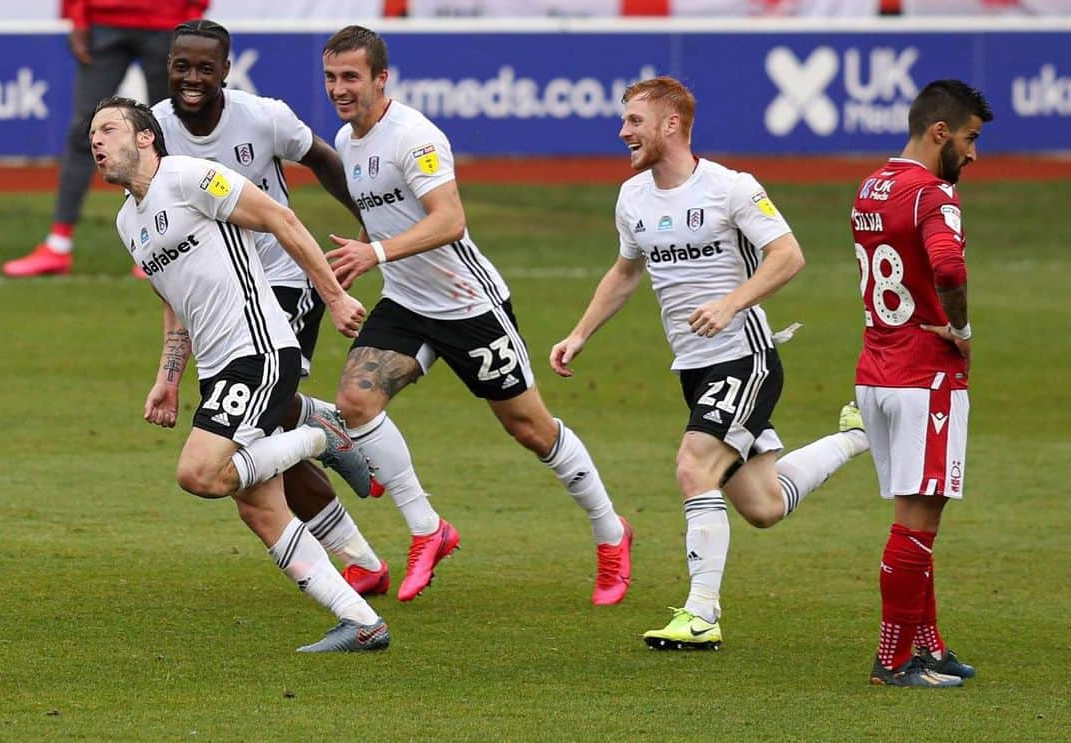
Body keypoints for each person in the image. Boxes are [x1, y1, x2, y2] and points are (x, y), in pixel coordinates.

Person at [549, 76, 870, 650]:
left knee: (694, 467)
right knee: (764, 506)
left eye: (634, 121)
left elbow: (788, 255)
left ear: (670, 125)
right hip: (696, 369)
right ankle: (856, 437)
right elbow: (626, 271)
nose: (623, 131)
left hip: (745, 359)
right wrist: (580, 333)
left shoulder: (731, 188)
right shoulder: (633, 198)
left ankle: (701, 614)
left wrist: (731, 304)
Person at [320, 25, 633, 604]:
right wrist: (363, 256)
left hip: (470, 306)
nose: (339, 88)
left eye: (351, 77)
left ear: (381, 78)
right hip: (408, 303)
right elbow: (382, 210)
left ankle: (611, 534)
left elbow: (449, 220)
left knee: (530, 429)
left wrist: (376, 252)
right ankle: (427, 530)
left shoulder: (414, 136)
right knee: (356, 403)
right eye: (332, 77)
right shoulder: (349, 139)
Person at [89, 95, 388, 653]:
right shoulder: (127, 222)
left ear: (146, 137)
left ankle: (319, 435)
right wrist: (168, 376)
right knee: (259, 507)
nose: (97, 142)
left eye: (108, 129)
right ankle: (362, 621)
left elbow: (280, 218)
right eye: (93, 135)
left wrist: (335, 294)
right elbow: (174, 299)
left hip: (258, 353)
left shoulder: (193, 178)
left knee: (200, 473)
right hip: (217, 368)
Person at [151, 19, 391, 597]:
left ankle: (316, 428)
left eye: (206, 67)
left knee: (256, 419)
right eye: (182, 65)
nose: (192, 77)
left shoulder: (263, 116)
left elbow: (327, 161)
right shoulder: (153, 131)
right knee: (254, 438)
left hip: (283, 277)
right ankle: (360, 558)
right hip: (220, 296)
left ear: (226, 72)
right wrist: (169, 368)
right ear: (169, 65)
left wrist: (369, 226)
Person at [852, 79, 991, 687]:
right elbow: (948, 267)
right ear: (941, 133)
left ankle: (928, 647)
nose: (973, 155)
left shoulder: (872, 186)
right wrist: (959, 326)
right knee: (917, 521)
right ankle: (893, 659)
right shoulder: (933, 194)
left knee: (921, 516)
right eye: (970, 139)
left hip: (877, 368)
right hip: (923, 373)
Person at [4, 0, 208, 278]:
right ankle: (58, 245)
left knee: (167, 131)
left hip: (167, 20)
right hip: (105, 20)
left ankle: (167, 243)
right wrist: (78, 17)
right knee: (85, 131)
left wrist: (192, 19)